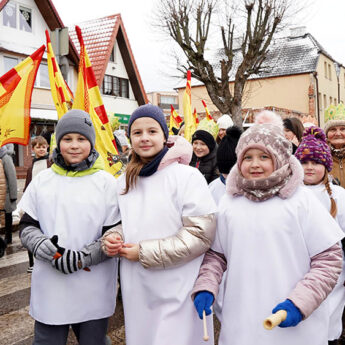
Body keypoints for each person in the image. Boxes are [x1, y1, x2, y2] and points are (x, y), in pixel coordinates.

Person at [192, 123, 344, 345]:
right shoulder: (229, 202)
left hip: (294, 323)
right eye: (247, 157)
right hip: (241, 321)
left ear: (280, 158)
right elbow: (217, 255)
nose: (255, 164)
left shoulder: (301, 201)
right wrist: (206, 285)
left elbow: (328, 260)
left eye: (264, 156)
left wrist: (301, 302)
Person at [102, 104, 217, 345]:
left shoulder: (186, 176)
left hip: (178, 285)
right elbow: (125, 222)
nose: (144, 138)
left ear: (165, 136)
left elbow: (200, 235)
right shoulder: (124, 180)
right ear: (130, 137)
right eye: (137, 132)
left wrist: (144, 252)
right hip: (138, 287)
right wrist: (113, 237)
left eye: (152, 131)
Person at [18, 109, 120, 345]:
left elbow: (113, 230)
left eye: (82, 139)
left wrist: (83, 257)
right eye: (67, 139)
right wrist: (43, 246)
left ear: (91, 143)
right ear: (58, 142)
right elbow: (27, 226)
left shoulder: (106, 182)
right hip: (51, 285)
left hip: (92, 282)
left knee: (94, 341)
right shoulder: (43, 180)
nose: (74, 145)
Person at [295, 126, 345, 345]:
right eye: (304, 162)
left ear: (326, 165)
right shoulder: (290, 195)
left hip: (332, 273)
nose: (309, 168)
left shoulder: (339, 196)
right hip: (298, 269)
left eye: (315, 162)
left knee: (329, 318)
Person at [23, 136, 51, 273]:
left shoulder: (51, 163)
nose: (41, 149)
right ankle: (31, 262)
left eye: (43, 146)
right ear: (33, 149)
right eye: (38, 147)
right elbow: (28, 187)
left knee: (47, 232)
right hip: (35, 204)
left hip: (49, 203)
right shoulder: (31, 167)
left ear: (47, 148)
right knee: (31, 232)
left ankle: (48, 257)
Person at [324, 104, 345, 187]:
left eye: (343, 129)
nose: (338, 133)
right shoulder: (321, 158)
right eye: (333, 129)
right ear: (326, 134)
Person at [0, 146, 17, 245]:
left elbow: (12, 176)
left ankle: (8, 237)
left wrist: (13, 195)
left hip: (6, 195)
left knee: (7, 216)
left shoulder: (5, 157)